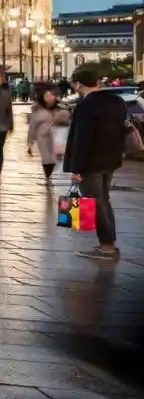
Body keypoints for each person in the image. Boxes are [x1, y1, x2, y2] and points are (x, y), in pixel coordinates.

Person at [63, 69, 129, 261]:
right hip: (111, 160)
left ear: (78, 84)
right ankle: (109, 243)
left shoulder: (86, 105)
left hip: (90, 163)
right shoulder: (116, 101)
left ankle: (107, 247)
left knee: (94, 203)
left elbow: (82, 139)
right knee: (104, 201)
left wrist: (76, 169)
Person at [26, 88, 70, 182]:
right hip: (43, 137)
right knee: (46, 158)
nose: (49, 98)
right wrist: (30, 143)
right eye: (47, 96)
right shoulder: (37, 109)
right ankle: (48, 176)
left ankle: (52, 175)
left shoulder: (61, 107)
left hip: (58, 136)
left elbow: (68, 120)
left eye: (51, 95)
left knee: (57, 158)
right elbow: (32, 126)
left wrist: (60, 117)